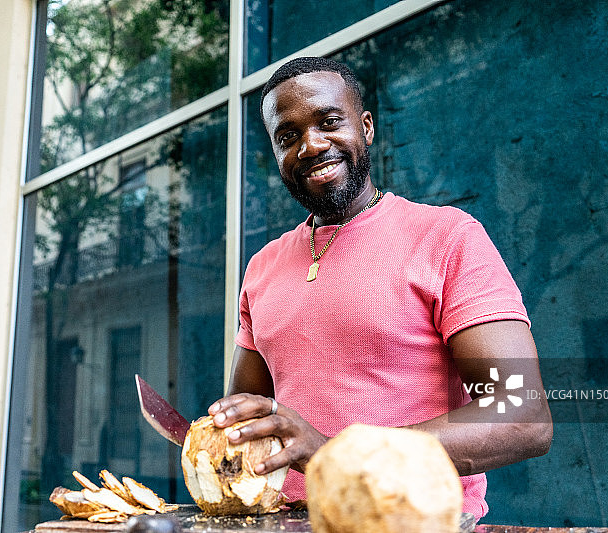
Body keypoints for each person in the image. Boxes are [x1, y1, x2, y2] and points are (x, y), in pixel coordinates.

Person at [208, 56, 552, 519]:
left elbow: (522, 417)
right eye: (287, 137)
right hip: (285, 523)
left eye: (329, 122)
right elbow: (247, 420)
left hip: (411, 522)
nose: (310, 145)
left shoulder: (447, 237)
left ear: (365, 127)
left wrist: (336, 453)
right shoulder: (262, 266)